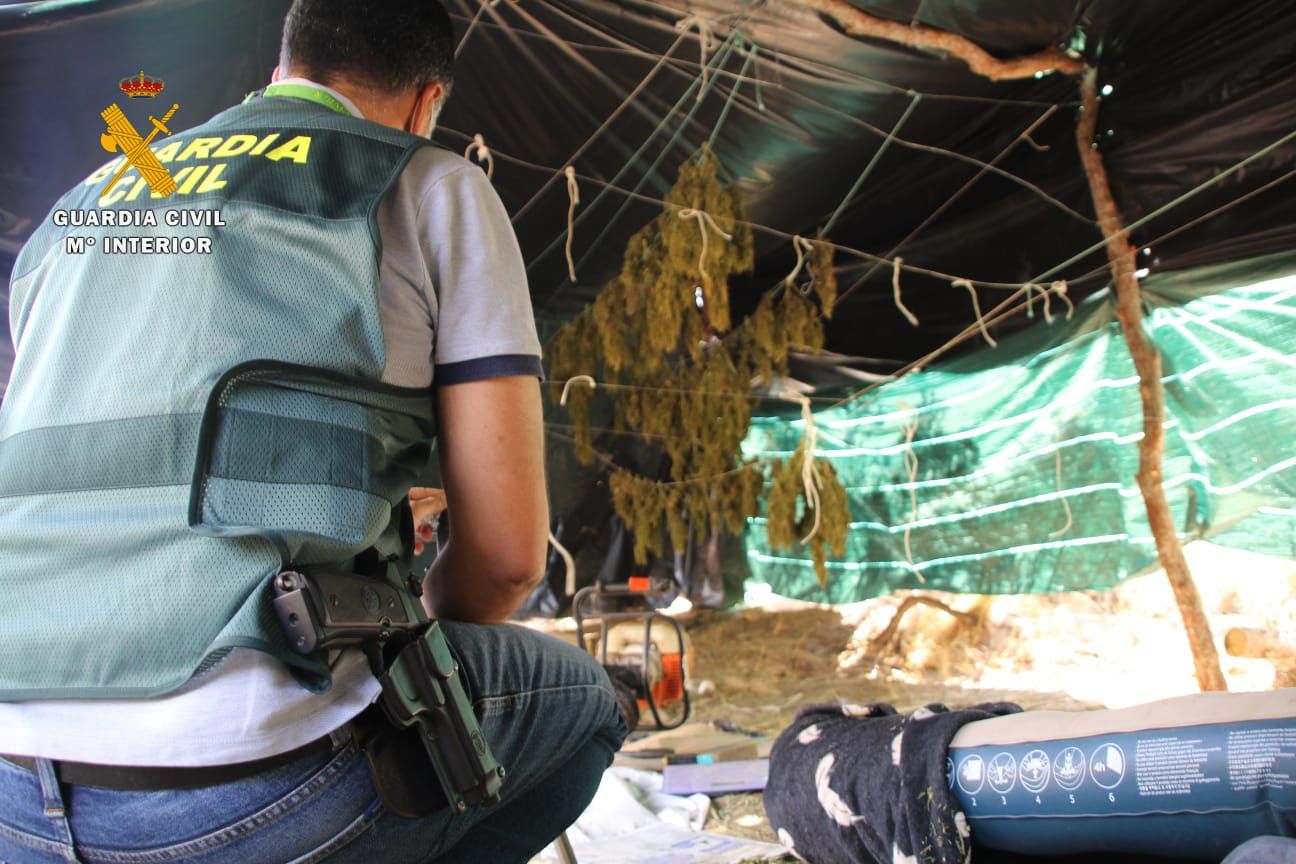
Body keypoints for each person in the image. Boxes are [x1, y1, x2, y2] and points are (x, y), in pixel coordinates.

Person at [0, 1, 626, 861]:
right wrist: (422, 642)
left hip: (10, 775)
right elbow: (510, 559)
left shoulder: (79, 209)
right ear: (425, 103)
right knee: (586, 704)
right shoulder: (429, 182)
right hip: (237, 775)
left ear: (278, 73)